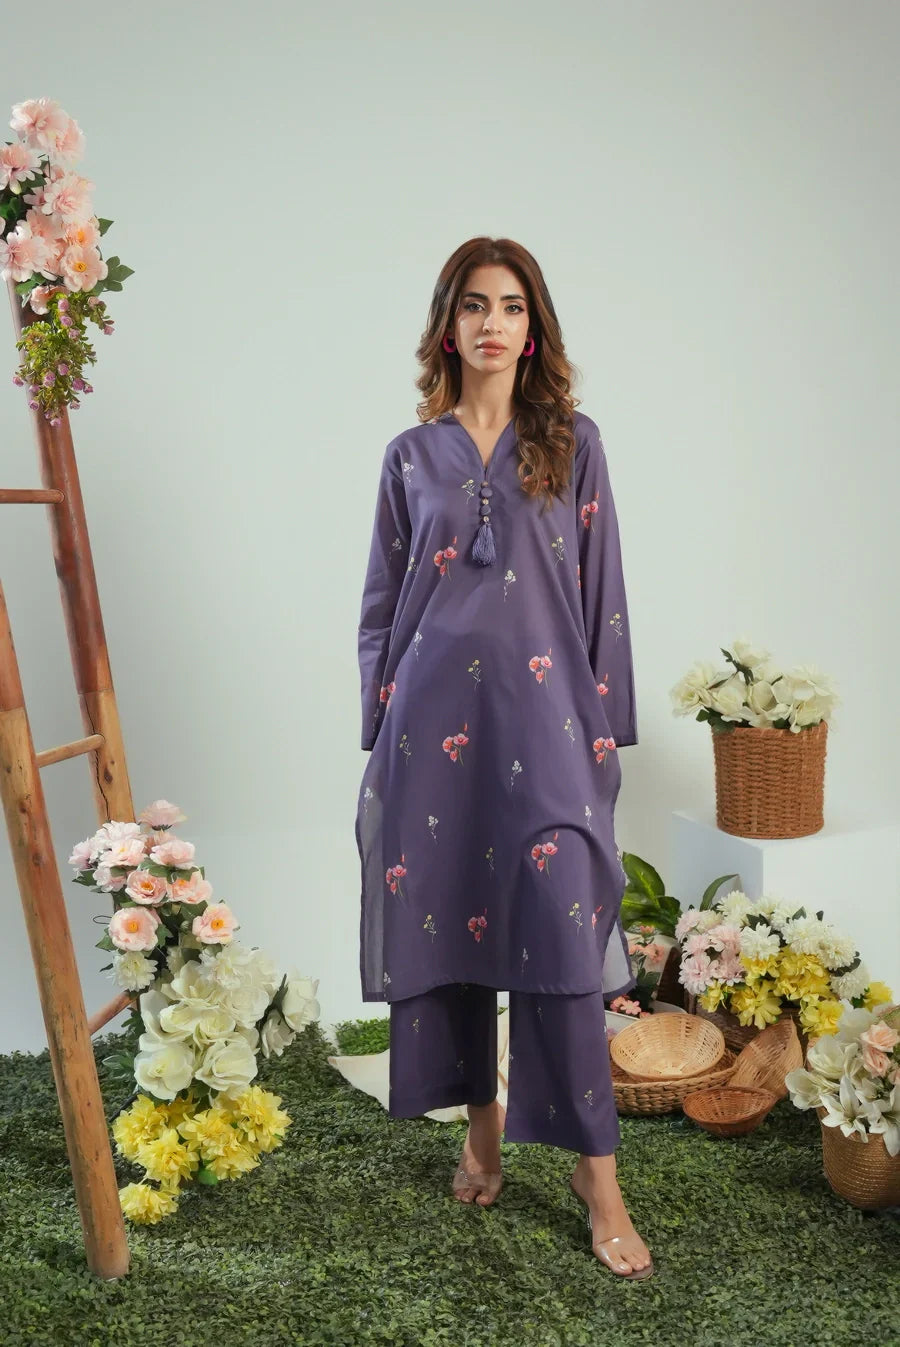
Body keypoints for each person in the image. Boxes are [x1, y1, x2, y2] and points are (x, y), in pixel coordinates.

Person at [355, 237, 652, 1279]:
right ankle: (481, 1130)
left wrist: (604, 725)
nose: (493, 322)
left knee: (562, 938)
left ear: (535, 329)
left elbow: (604, 590)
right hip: (432, 726)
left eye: (513, 306)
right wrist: (379, 720)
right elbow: (383, 600)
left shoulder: (573, 442)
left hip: (550, 723)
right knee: (452, 920)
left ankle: (596, 1178)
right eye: (475, 304)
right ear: (449, 326)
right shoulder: (410, 455)